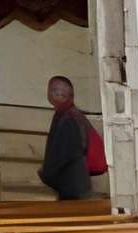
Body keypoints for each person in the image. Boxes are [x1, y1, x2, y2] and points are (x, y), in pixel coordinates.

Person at [39, 73, 97, 201]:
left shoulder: (69, 118)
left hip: (73, 185)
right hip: (72, 183)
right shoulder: (65, 114)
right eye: (54, 90)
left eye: (61, 92)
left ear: (69, 95)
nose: (58, 94)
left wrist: (47, 172)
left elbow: (68, 152)